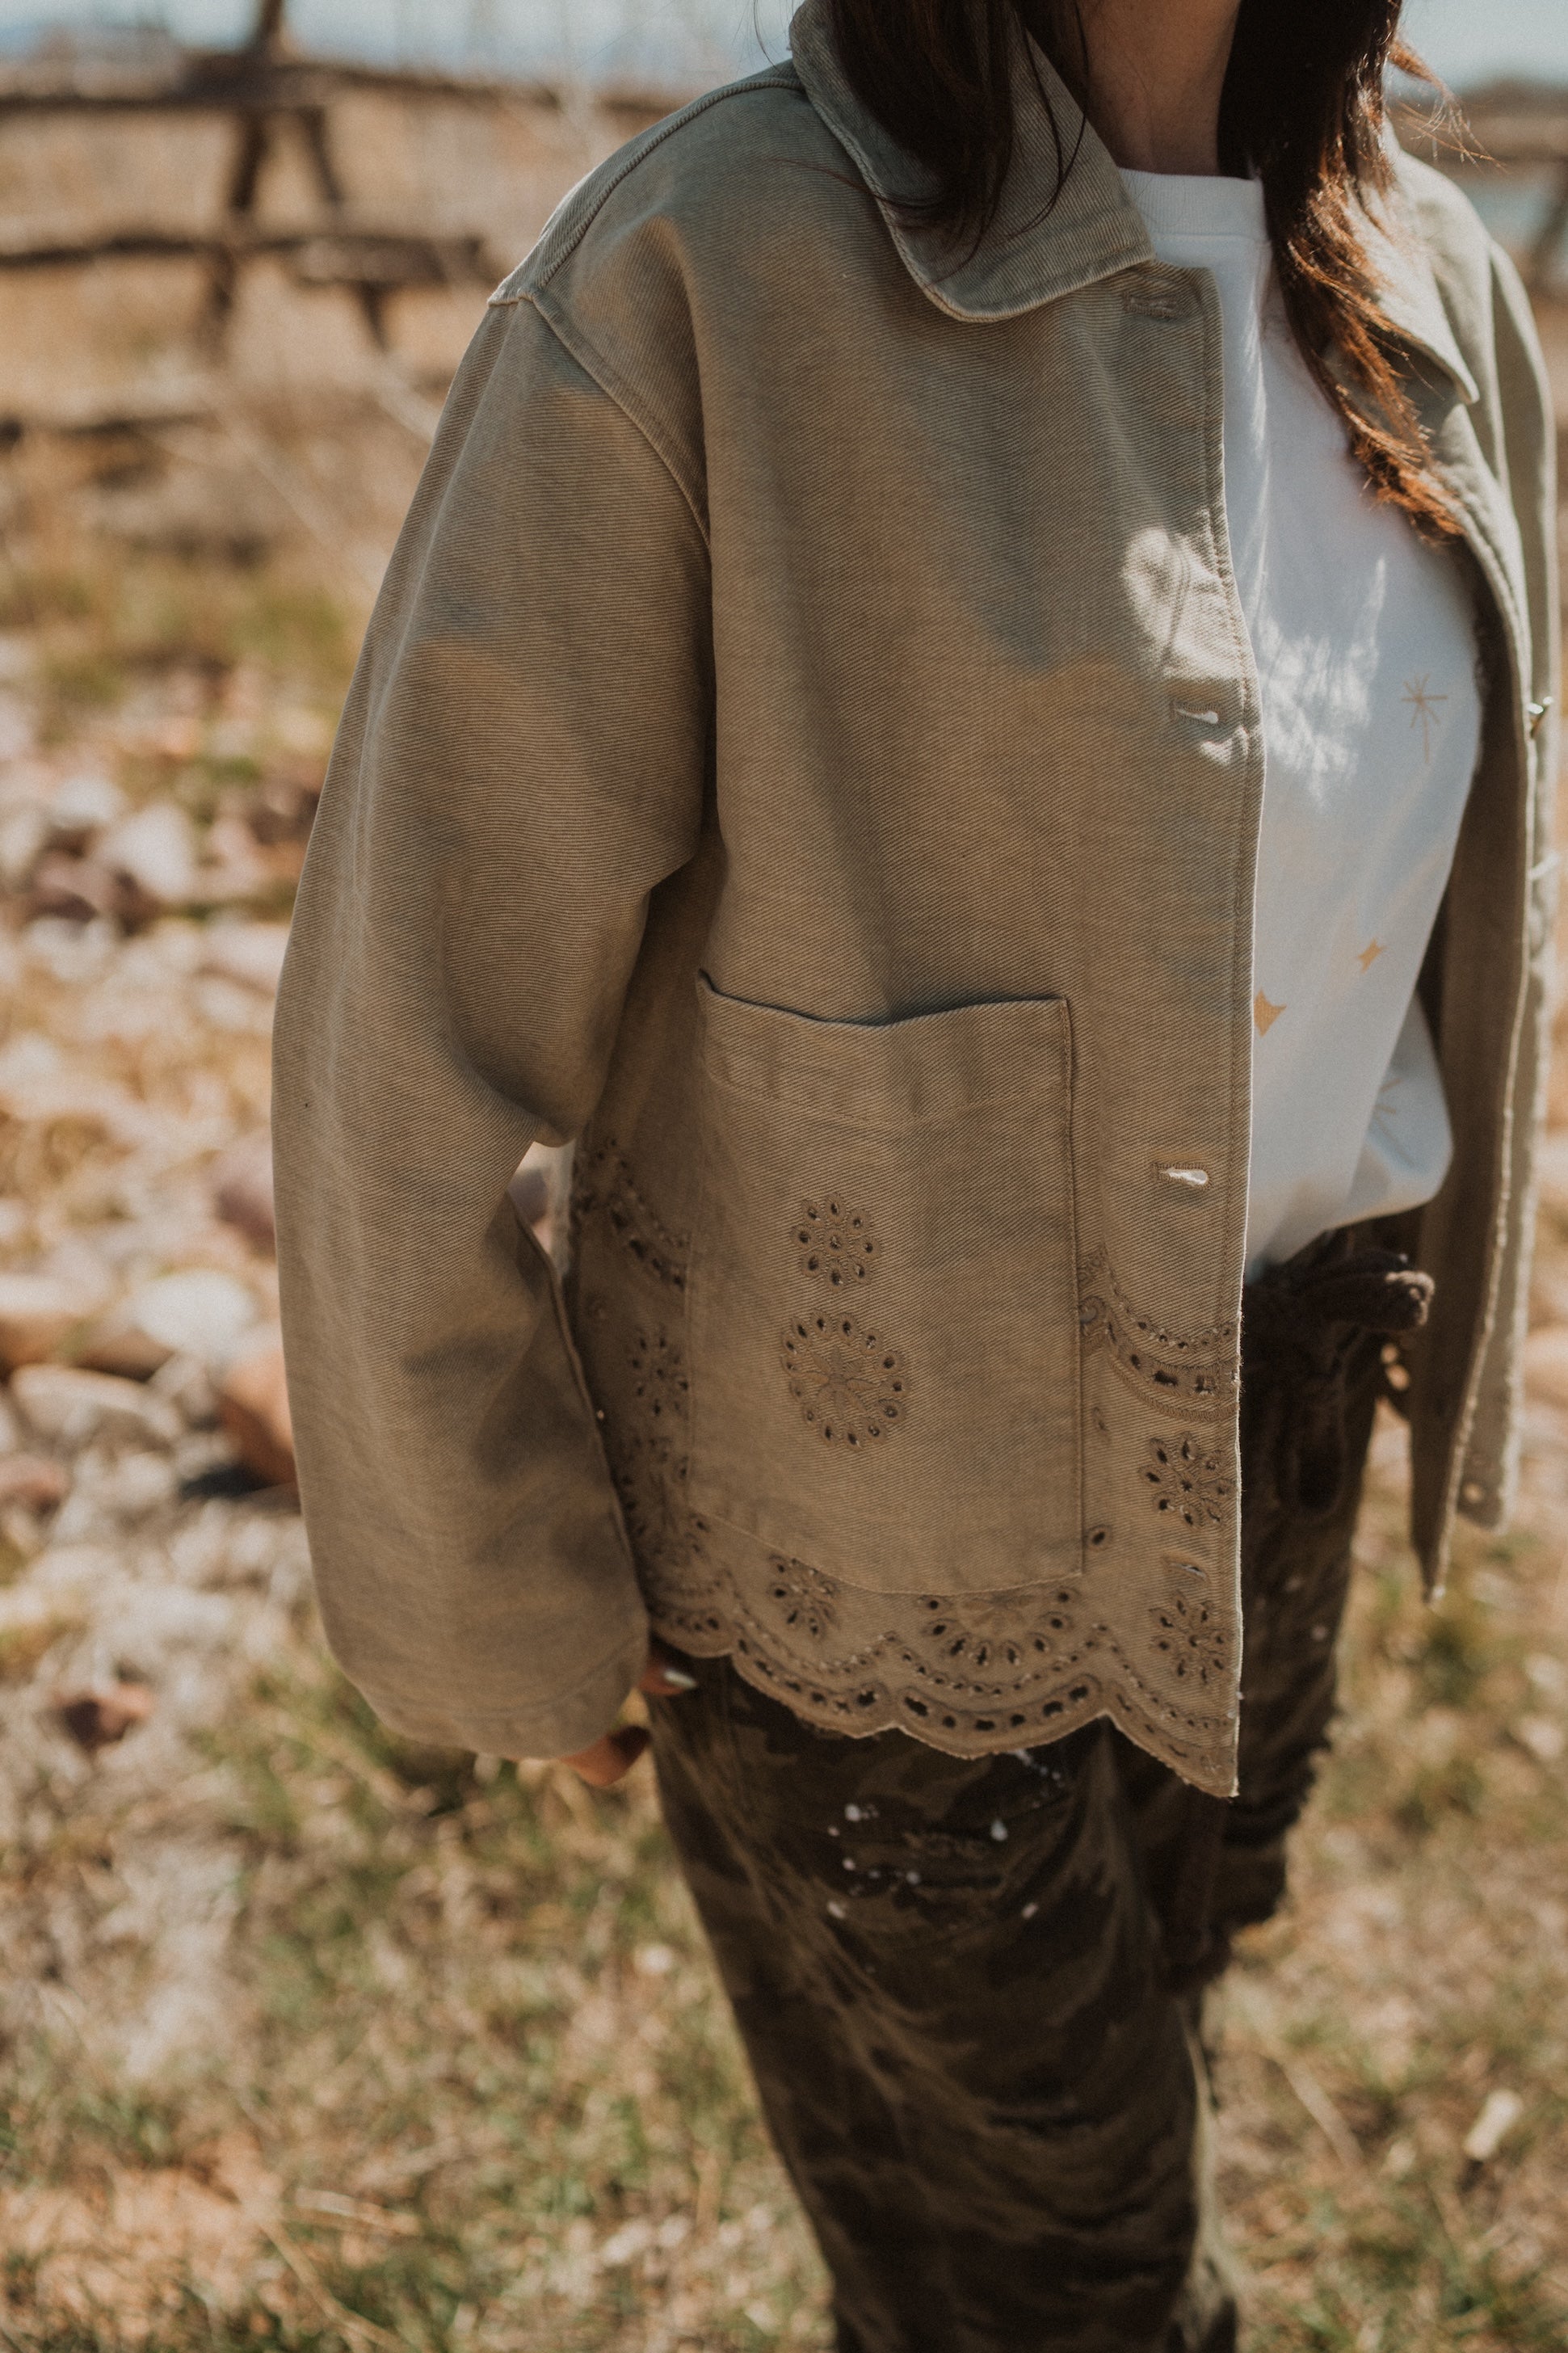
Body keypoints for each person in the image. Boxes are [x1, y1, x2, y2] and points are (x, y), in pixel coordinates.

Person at [272, 0, 1557, 2343]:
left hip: (1283, 1441)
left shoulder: (1434, 278)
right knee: (1069, 2285)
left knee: (1139, 2068)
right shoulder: (710, 267)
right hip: (861, 1554)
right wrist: (508, 1583)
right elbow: (408, 1028)